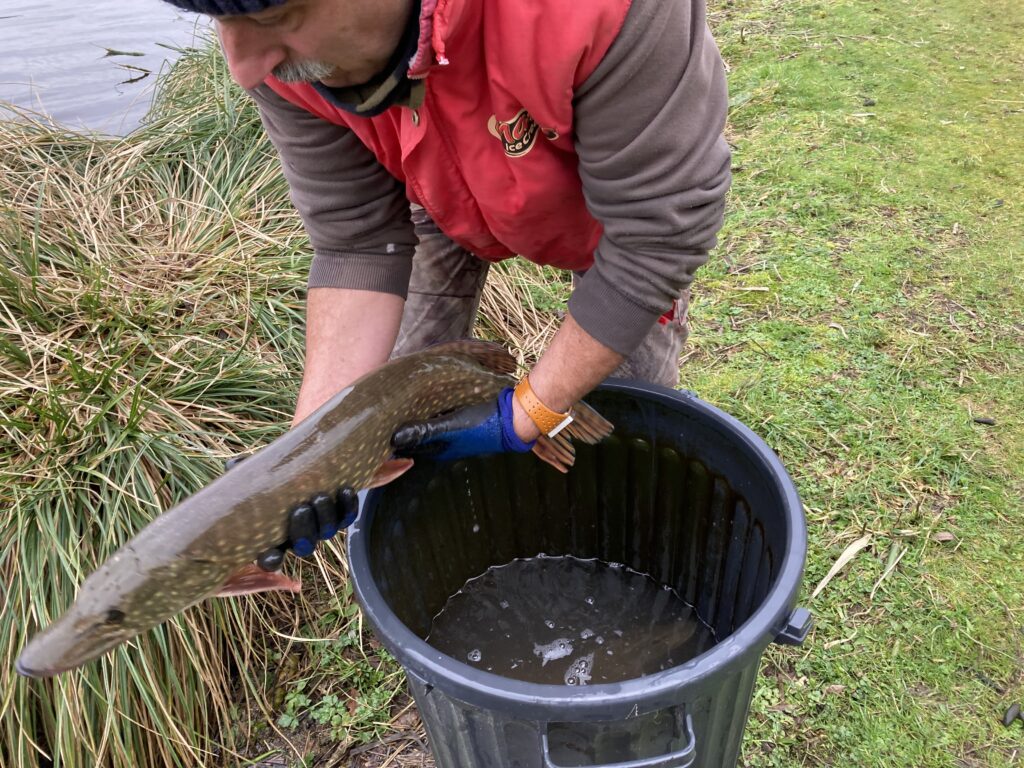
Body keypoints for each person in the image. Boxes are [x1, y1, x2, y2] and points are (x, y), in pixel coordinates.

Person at [165, 0, 731, 564]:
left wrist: (532, 409)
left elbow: (654, 235)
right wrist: (309, 457)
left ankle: (635, 542)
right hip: (434, 195)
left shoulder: (602, 10)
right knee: (398, 401)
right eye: (218, 21)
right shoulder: (279, 64)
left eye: (271, 17)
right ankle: (447, 539)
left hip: (615, 220)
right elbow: (357, 240)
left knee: (623, 417)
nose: (240, 66)